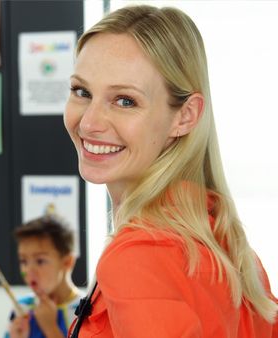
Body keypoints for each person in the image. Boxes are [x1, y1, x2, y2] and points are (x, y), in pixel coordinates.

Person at [63, 5, 278, 337]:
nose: (89, 122)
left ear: (185, 116)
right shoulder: (224, 241)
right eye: (82, 92)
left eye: (124, 101)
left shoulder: (139, 257)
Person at [6, 215, 83, 338]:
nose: (28, 271)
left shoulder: (86, 312)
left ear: (67, 262)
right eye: (23, 261)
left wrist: (51, 329)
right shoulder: (22, 307)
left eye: (40, 261)